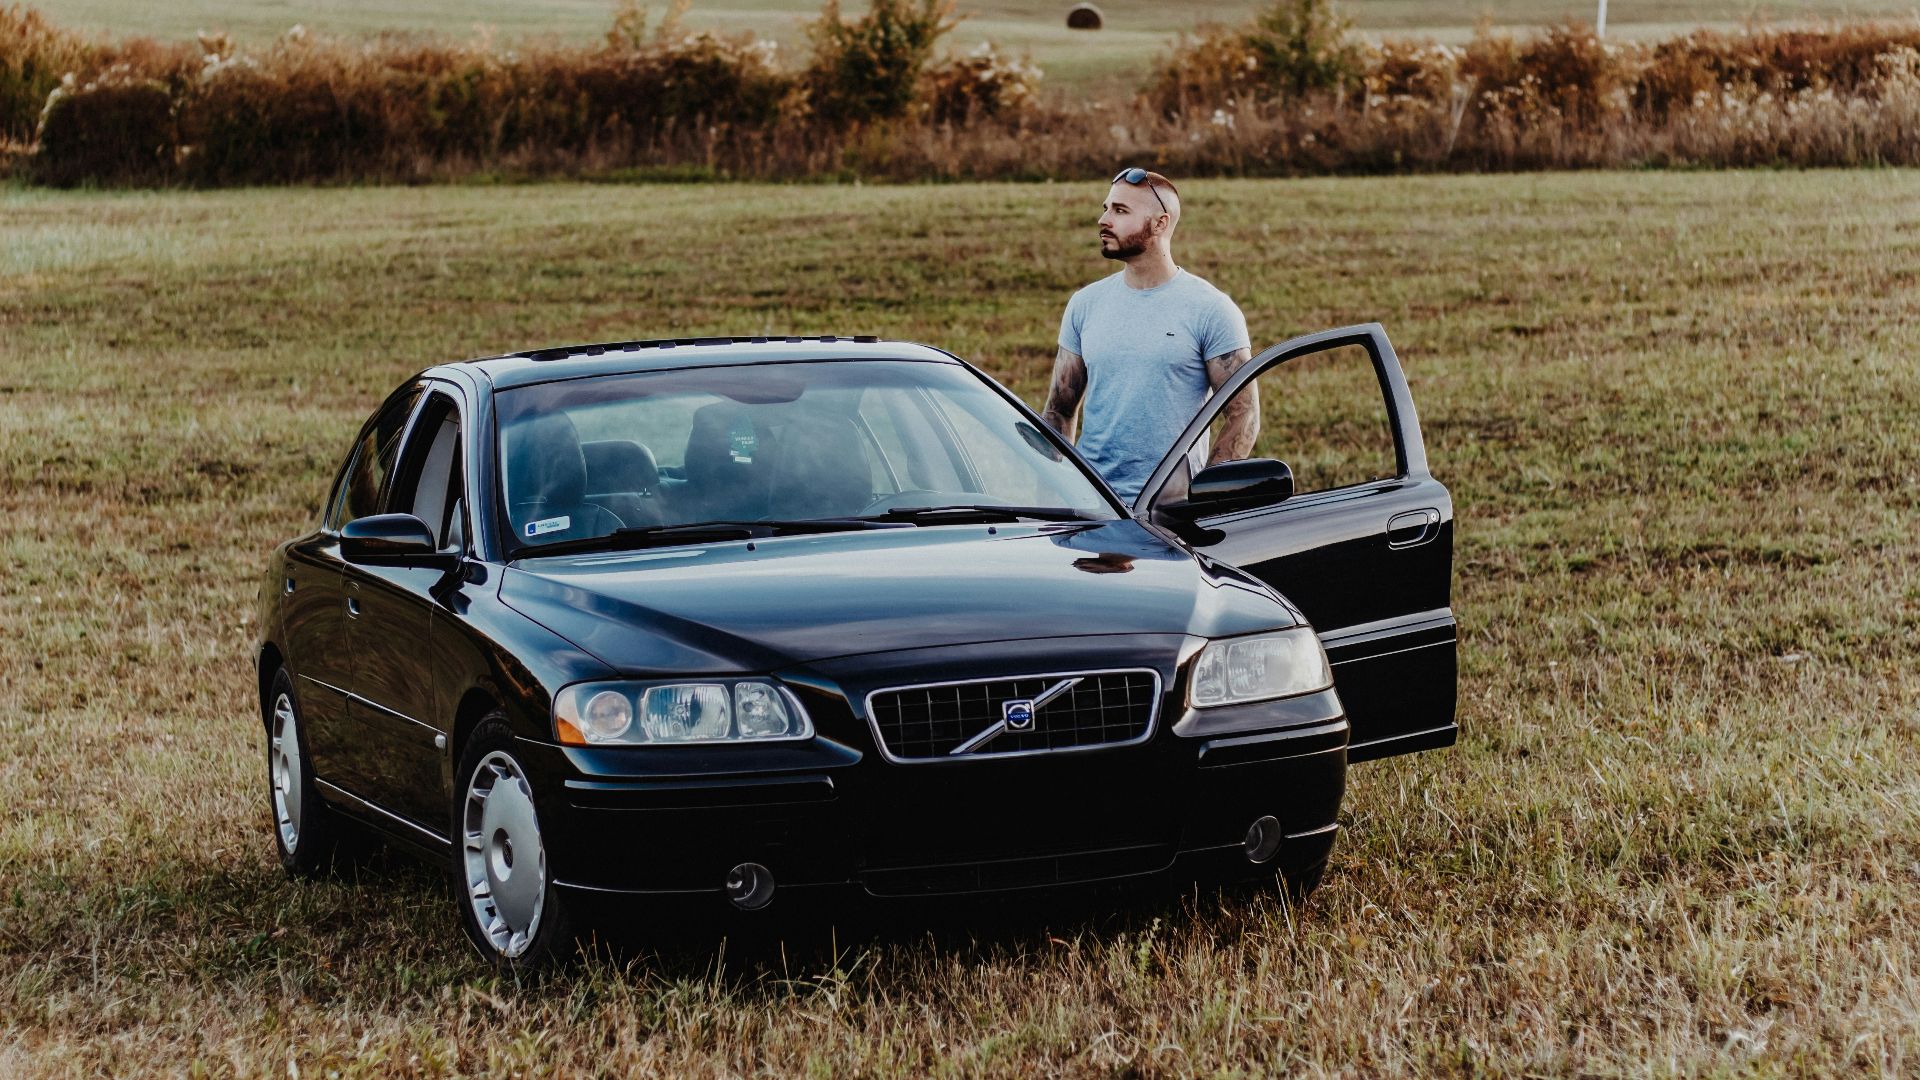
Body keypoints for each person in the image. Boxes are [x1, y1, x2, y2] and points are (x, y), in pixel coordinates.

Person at [1041, 168, 1258, 505]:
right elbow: (1059, 410)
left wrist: (1206, 498)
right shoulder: (1085, 305)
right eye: (1106, 208)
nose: (1104, 219)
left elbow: (1244, 414)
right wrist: (1062, 490)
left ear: (1159, 224)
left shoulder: (1211, 309)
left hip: (1171, 513)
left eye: (1120, 211)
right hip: (1094, 508)